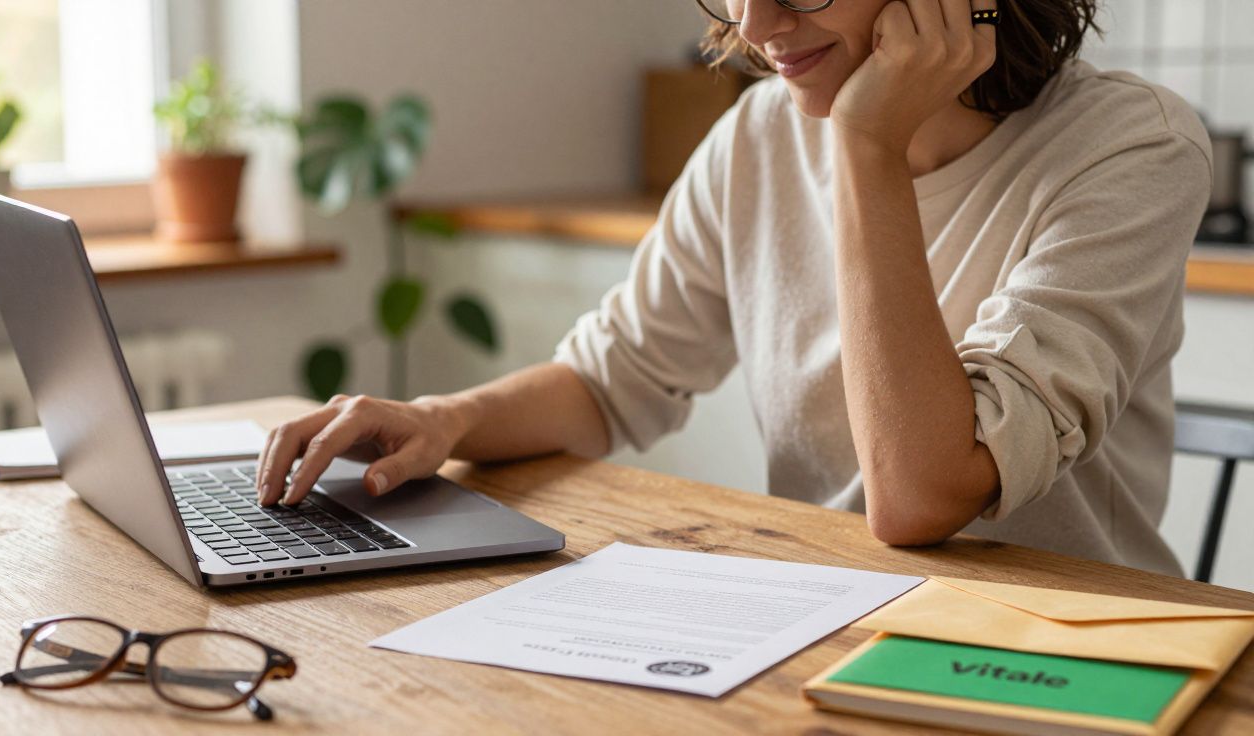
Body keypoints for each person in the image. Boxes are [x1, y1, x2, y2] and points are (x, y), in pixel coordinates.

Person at [256, 0, 1211, 576]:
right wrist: (444, 419)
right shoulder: (758, 138)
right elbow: (611, 380)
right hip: (830, 617)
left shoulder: (1129, 147)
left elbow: (921, 496)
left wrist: (867, 147)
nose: (754, 29)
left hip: (1065, 649)